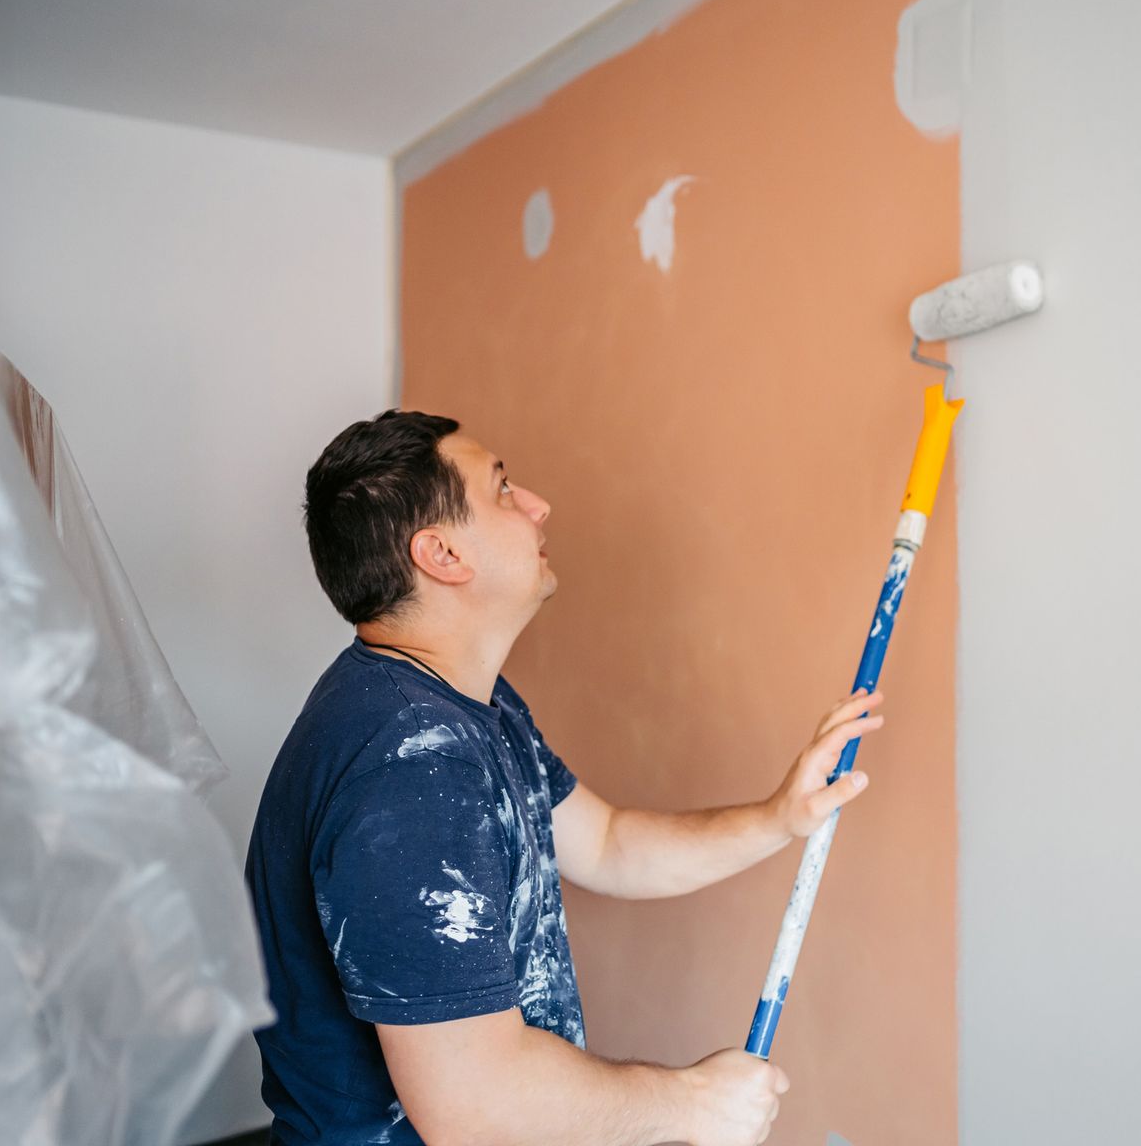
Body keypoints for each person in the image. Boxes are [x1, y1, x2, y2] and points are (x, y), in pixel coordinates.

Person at [246, 409, 885, 1146]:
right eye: (504, 488)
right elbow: (475, 1105)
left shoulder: (465, 706)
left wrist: (779, 817)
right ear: (443, 553)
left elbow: (609, 844)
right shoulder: (410, 768)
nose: (537, 504)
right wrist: (691, 1103)